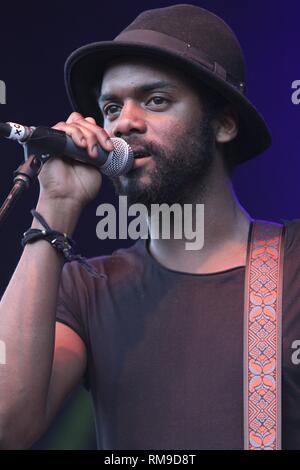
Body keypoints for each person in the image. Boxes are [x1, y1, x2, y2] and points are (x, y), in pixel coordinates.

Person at [0, 4, 300, 450]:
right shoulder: (86, 286)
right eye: (111, 107)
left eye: (156, 100)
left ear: (223, 123)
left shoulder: (294, 263)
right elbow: (7, 427)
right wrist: (56, 206)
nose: (124, 123)